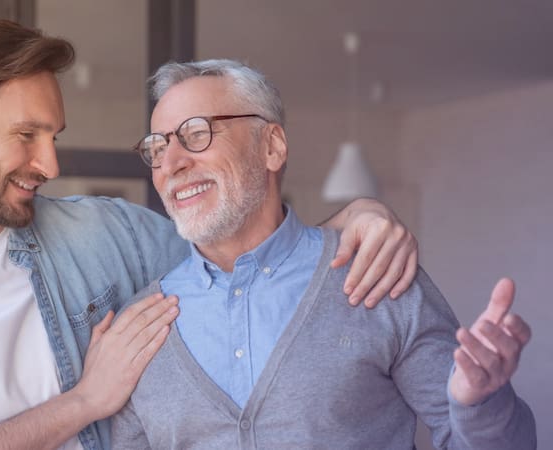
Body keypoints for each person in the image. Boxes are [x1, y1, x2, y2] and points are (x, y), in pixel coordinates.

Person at [0, 21, 419, 450]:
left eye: (55, 137)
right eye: (26, 136)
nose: (50, 164)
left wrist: (351, 218)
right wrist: (83, 402)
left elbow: (245, 261)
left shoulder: (108, 232)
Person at [111, 59, 536, 449]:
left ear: (272, 146)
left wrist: (481, 405)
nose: (171, 163)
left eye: (196, 133)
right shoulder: (139, 327)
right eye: (158, 147)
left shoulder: (378, 274)